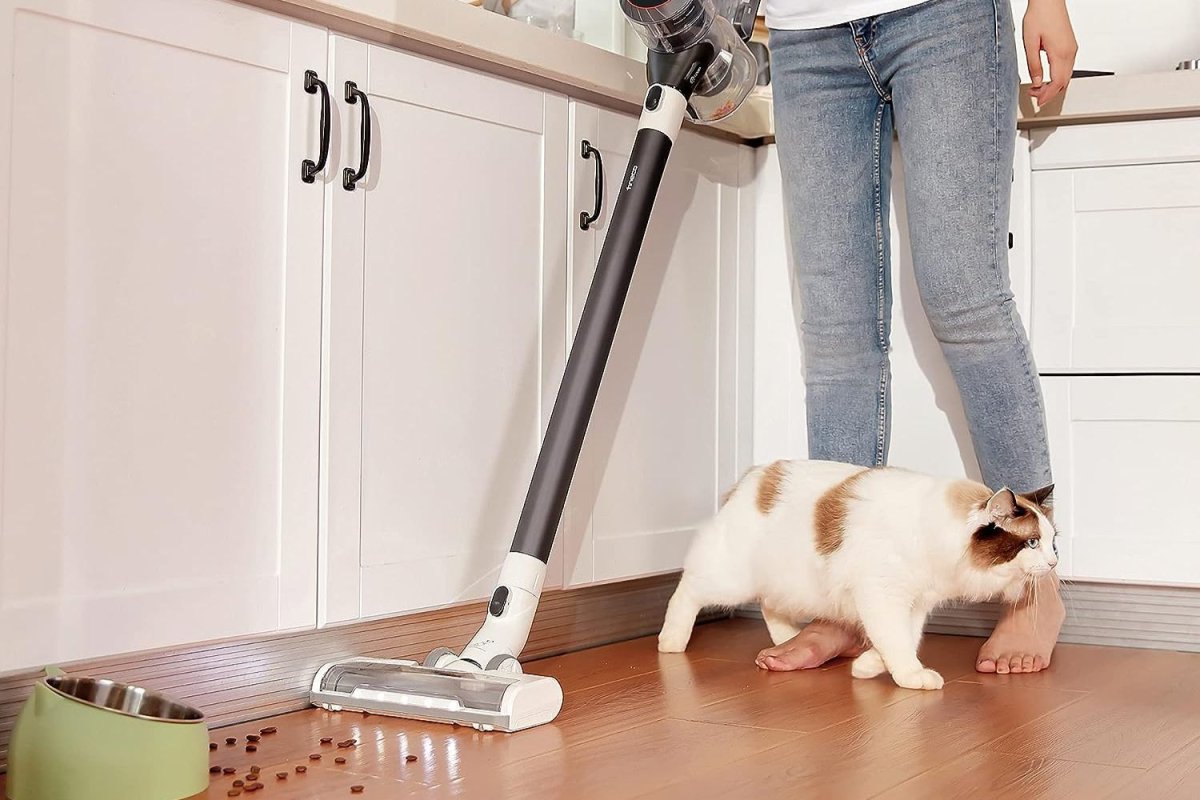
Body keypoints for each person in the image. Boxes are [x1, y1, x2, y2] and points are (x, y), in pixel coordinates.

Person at [755, 0, 1077, 675]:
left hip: (945, 17)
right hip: (801, 34)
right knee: (836, 335)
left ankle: (1033, 590)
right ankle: (846, 605)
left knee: (967, 303)